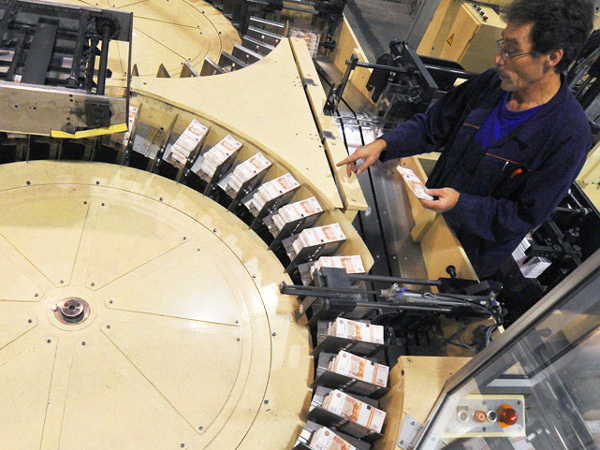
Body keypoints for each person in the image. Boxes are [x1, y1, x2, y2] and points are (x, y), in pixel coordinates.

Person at [337, 0, 595, 279]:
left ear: (552, 57)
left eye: (511, 51)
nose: (498, 59)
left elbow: (522, 216)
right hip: (427, 219)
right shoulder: (492, 85)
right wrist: (384, 144)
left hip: (465, 256)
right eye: (502, 45)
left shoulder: (568, 136)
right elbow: (434, 125)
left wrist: (460, 204)